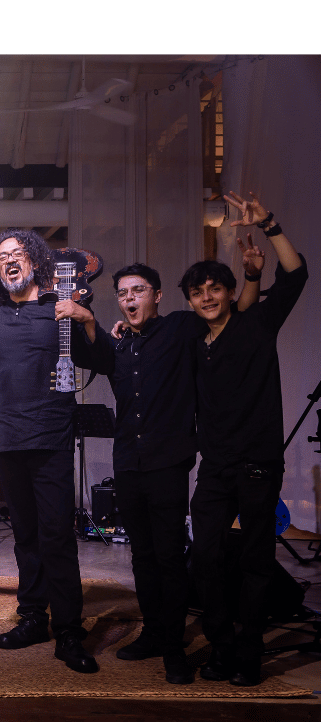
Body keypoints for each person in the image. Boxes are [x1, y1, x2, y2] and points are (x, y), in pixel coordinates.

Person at [73, 251, 261, 684]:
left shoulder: (180, 327)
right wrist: (88, 322)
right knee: (141, 557)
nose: (129, 298)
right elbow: (90, 355)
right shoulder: (119, 345)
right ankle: (155, 632)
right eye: (122, 294)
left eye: (137, 290)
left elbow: (233, 314)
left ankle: (174, 646)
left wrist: (250, 277)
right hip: (129, 465)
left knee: (169, 558)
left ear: (156, 295)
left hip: (168, 464)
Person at [184, 191, 307, 687]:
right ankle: (222, 644)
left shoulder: (257, 325)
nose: (207, 297)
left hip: (257, 463)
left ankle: (250, 652)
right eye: (199, 292)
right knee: (205, 557)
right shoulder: (193, 341)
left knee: (257, 561)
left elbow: (296, 276)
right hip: (213, 467)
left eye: (216, 289)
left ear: (229, 292)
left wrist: (271, 226)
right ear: (191, 299)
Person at [0, 229, 99, 673]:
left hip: (51, 437)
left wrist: (84, 317)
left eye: (17, 254)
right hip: (8, 438)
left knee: (57, 537)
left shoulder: (59, 310)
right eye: (1, 257)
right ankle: (32, 617)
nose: (9, 261)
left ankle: (68, 630)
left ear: (33, 261)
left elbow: (95, 359)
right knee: (25, 537)